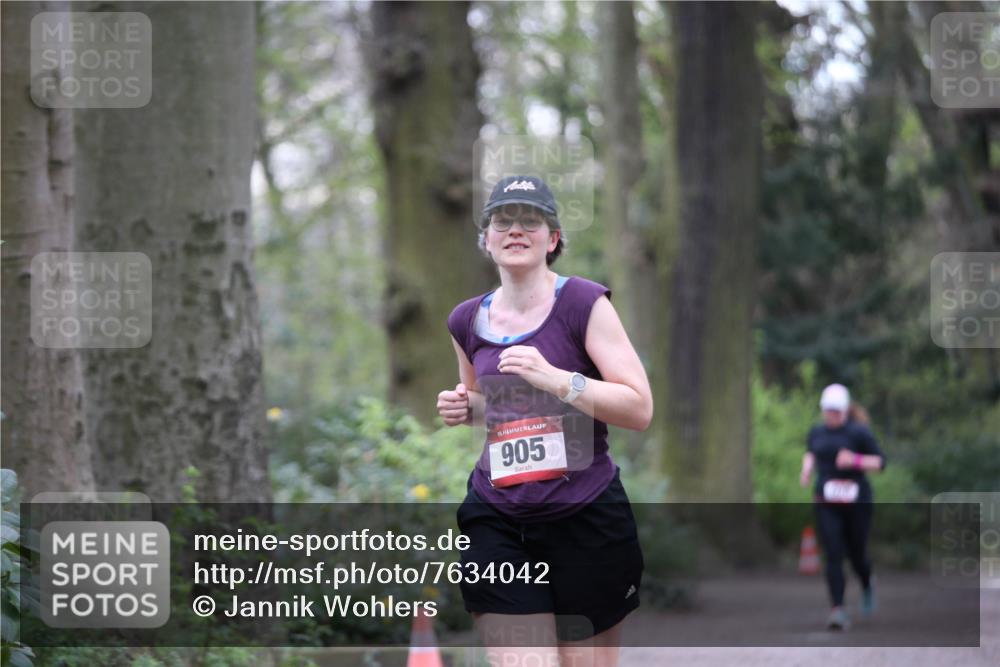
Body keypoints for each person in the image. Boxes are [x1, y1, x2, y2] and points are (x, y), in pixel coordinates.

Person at [437, 175, 653, 667]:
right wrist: (464, 408)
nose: (515, 229)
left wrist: (558, 379)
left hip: (586, 517)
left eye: (529, 220)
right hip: (497, 517)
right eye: (502, 221)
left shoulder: (583, 303)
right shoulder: (465, 320)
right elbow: (489, 405)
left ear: (552, 238)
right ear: (487, 239)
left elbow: (638, 408)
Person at [799, 383, 886, 631]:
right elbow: (811, 452)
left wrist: (855, 461)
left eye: (836, 411)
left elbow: (880, 463)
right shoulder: (817, 432)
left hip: (857, 502)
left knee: (857, 553)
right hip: (827, 502)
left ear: (846, 410)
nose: (832, 415)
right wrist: (807, 469)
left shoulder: (859, 433)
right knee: (833, 553)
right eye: (828, 410)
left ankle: (867, 582)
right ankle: (837, 609)